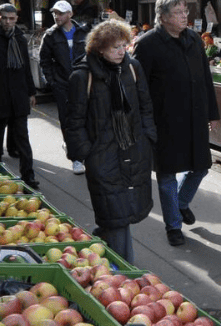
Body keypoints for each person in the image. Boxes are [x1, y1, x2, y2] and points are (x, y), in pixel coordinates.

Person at [65, 20, 156, 265]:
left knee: (123, 209)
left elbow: (146, 106)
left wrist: (148, 138)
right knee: (116, 214)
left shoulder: (133, 68)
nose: (120, 51)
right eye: (114, 47)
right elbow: (73, 121)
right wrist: (86, 154)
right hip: (102, 155)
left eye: (124, 46)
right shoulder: (82, 76)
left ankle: (103, 244)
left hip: (133, 149)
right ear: (100, 48)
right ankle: (126, 270)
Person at [133, 0, 219, 247]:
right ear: (163, 17)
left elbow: (205, 78)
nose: (185, 17)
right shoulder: (147, 44)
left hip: (194, 116)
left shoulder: (193, 38)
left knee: (201, 166)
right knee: (167, 174)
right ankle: (173, 226)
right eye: (179, 13)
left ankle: (180, 203)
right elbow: (138, 87)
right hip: (165, 120)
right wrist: (143, 121)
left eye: (185, 11)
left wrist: (212, 113)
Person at [0, 3, 39, 188]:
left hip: (18, 95)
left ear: (16, 19)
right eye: (5, 18)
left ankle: (28, 176)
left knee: (23, 138)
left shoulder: (20, 38)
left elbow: (26, 67)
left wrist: (31, 91)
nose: (9, 22)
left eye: (12, 19)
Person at [39, 0, 88, 174]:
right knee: (67, 121)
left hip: (83, 84)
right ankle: (76, 158)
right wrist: (52, 81)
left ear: (70, 14)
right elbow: (44, 60)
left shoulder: (84, 31)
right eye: (55, 13)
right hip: (62, 84)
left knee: (86, 118)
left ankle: (83, 151)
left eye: (60, 13)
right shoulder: (51, 35)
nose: (56, 16)